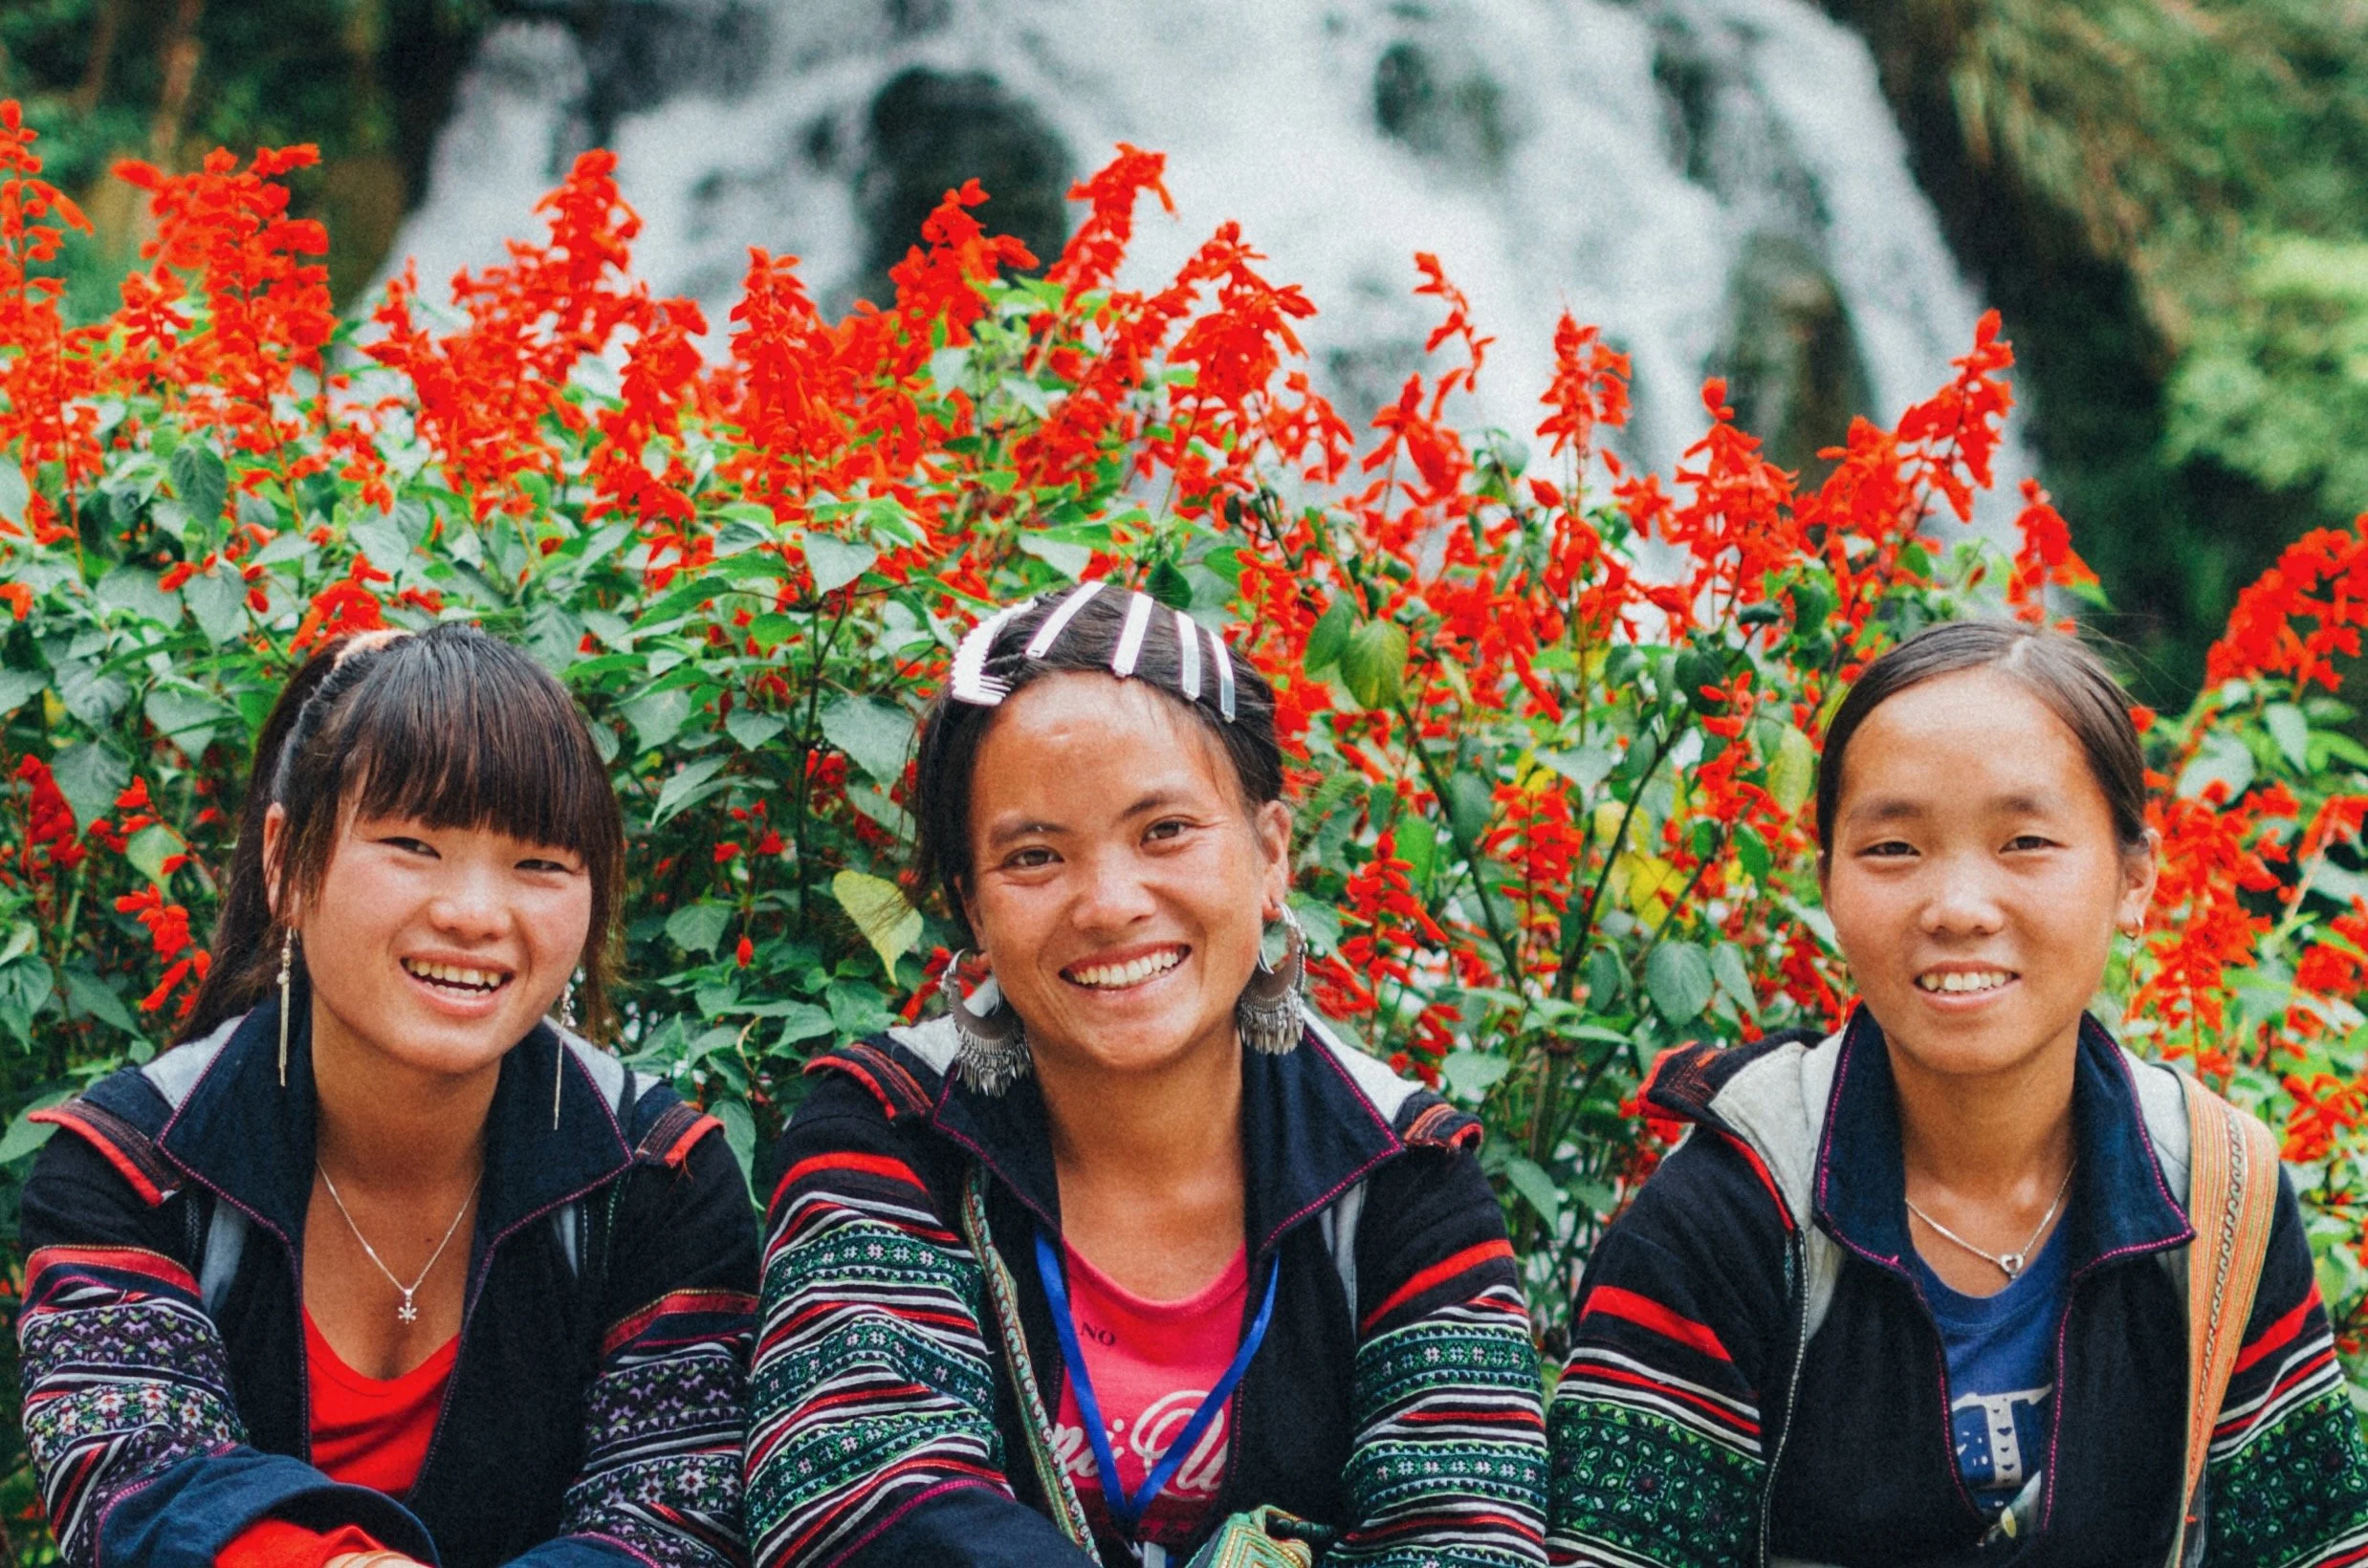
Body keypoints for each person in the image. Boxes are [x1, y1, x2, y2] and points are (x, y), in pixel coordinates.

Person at [744, 583, 1549, 1568]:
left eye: (1163, 829)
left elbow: (1466, 1541)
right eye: (1034, 854)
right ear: (972, 906)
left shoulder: (1403, 1176)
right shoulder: (888, 1128)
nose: (1109, 902)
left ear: (1269, 853)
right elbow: (854, 1499)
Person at [1545, 621, 2368, 1565]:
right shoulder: (1726, 1211)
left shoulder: (2221, 1194)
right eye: (1893, 848)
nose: (1958, 907)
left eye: (2024, 840)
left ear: (2134, 878)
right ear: (1828, 884)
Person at [16, 625, 759, 1568]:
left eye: (540, 862)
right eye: (413, 843)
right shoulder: (128, 1171)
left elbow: (677, 1512)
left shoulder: (662, 1179)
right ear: (286, 861)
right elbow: (130, 1477)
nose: (478, 913)